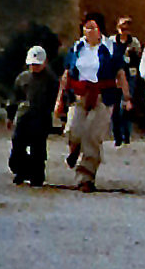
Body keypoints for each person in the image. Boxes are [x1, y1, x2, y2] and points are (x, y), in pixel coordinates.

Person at [53, 14, 129, 189]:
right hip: (80, 94)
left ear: (100, 29)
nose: (89, 31)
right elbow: (66, 74)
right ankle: (74, 149)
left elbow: (120, 74)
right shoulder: (77, 48)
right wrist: (60, 99)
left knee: (92, 135)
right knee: (73, 130)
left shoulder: (110, 48)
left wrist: (127, 97)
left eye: (93, 28)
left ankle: (86, 176)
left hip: (103, 96)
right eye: (86, 28)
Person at [8, 44, 55, 186]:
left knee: (38, 150)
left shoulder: (51, 80)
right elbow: (14, 98)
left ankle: (37, 175)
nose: (34, 67)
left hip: (41, 119)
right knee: (17, 148)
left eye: (37, 65)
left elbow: (56, 100)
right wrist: (10, 116)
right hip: (23, 118)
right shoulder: (22, 79)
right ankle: (21, 171)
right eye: (32, 65)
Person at [112, 17, 144, 146]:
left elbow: (139, 58)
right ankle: (117, 135)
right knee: (115, 106)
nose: (124, 30)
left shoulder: (134, 43)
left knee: (126, 104)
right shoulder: (111, 41)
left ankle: (126, 133)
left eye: (127, 28)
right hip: (115, 75)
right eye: (122, 27)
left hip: (130, 75)